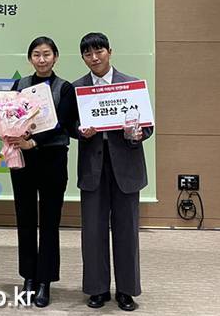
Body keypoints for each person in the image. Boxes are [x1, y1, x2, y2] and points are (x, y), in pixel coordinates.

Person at [73, 32, 153, 311]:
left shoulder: (131, 84)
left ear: (110, 51)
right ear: (83, 57)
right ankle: (97, 289)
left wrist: (138, 133)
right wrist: (80, 131)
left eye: (99, 52)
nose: (94, 58)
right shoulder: (77, 88)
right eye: (88, 54)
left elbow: (148, 126)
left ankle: (127, 290)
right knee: (92, 232)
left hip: (126, 168)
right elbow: (70, 125)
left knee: (127, 231)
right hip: (93, 168)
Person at [7, 36, 77, 307]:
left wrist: (33, 141)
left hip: (53, 159)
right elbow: (8, 115)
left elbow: (63, 124)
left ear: (55, 57)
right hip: (23, 161)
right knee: (25, 219)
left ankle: (45, 280)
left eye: (47, 54)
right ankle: (28, 277)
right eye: (36, 54)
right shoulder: (20, 85)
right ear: (30, 58)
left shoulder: (65, 88)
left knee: (49, 222)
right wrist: (12, 134)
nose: (42, 59)